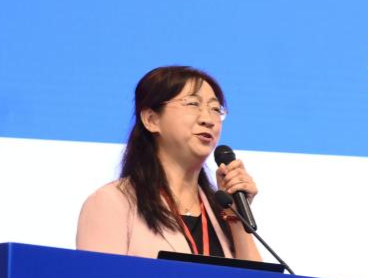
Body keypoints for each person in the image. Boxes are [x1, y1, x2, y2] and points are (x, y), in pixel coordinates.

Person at [76, 66, 262, 261]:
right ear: (151, 120)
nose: (208, 119)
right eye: (193, 104)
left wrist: (236, 217)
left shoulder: (220, 212)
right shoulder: (112, 202)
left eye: (215, 109)